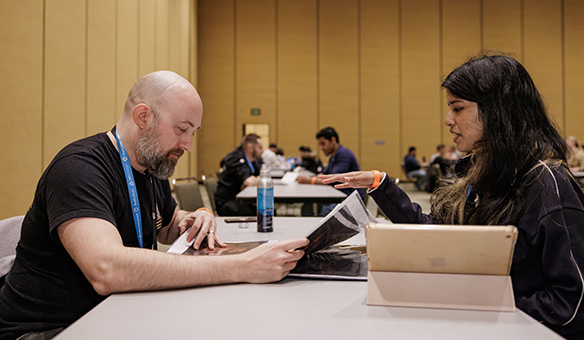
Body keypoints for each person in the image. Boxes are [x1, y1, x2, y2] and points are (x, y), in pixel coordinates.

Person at [0, 71, 308, 339]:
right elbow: (107, 270)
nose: (188, 145)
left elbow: (168, 226)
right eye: (181, 129)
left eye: (192, 132)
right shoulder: (79, 169)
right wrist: (241, 266)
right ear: (143, 116)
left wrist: (197, 217)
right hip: (52, 329)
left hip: (118, 312)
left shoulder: (151, 166)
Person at [321, 54, 584, 340]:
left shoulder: (548, 185)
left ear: (498, 111)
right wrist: (381, 185)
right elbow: (441, 237)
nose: (447, 120)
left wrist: (480, 308)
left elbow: (574, 305)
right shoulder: (484, 175)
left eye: (457, 108)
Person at [296, 127, 363, 199]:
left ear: (333, 140)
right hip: (339, 195)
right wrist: (312, 177)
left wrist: (310, 180)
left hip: (350, 198)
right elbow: (324, 175)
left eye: (323, 143)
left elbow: (333, 180)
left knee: (317, 206)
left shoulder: (344, 155)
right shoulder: (333, 157)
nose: (321, 148)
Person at [214, 133, 264, 216]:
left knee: (264, 209)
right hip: (227, 203)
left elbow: (258, 176)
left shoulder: (252, 161)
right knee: (261, 212)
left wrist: (254, 179)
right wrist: (253, 180)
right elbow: (249, 181)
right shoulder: (236, 158)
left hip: (238, 199)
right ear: (250, 148)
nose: (262, 151)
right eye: (260, 147)